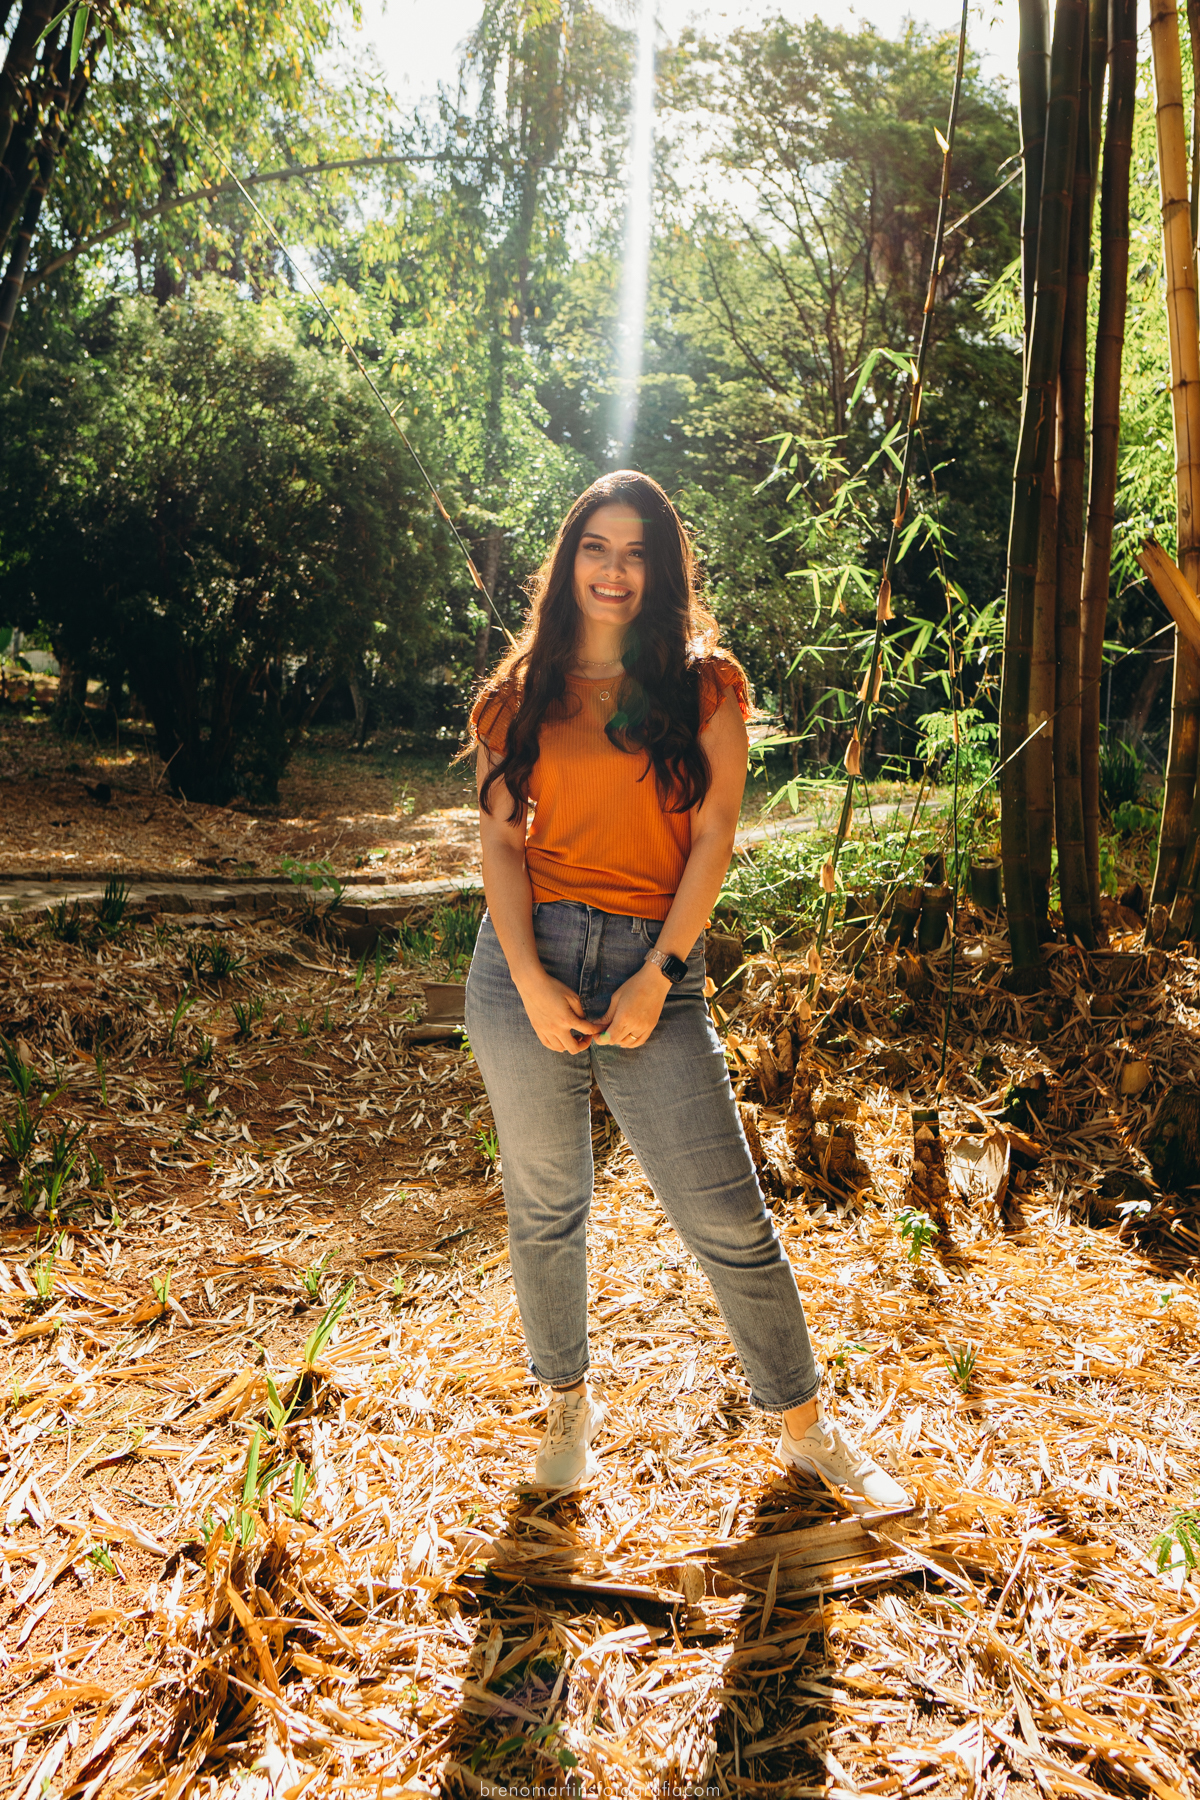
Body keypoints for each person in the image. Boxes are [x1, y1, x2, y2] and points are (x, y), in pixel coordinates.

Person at [463, 470, 908, 1510]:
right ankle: (567, 1405)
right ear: (567, 561)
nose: (614, 572)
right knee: (547, 1208)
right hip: (523, 961)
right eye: (596, 549)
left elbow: (714, 836)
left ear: (660, 571)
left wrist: (658, 975)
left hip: (654, 961)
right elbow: (497, 840)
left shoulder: (707, 685)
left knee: (727, 1215)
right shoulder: (516, 693)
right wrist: (527, 978)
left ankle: (807, 1427)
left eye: (636, 554)